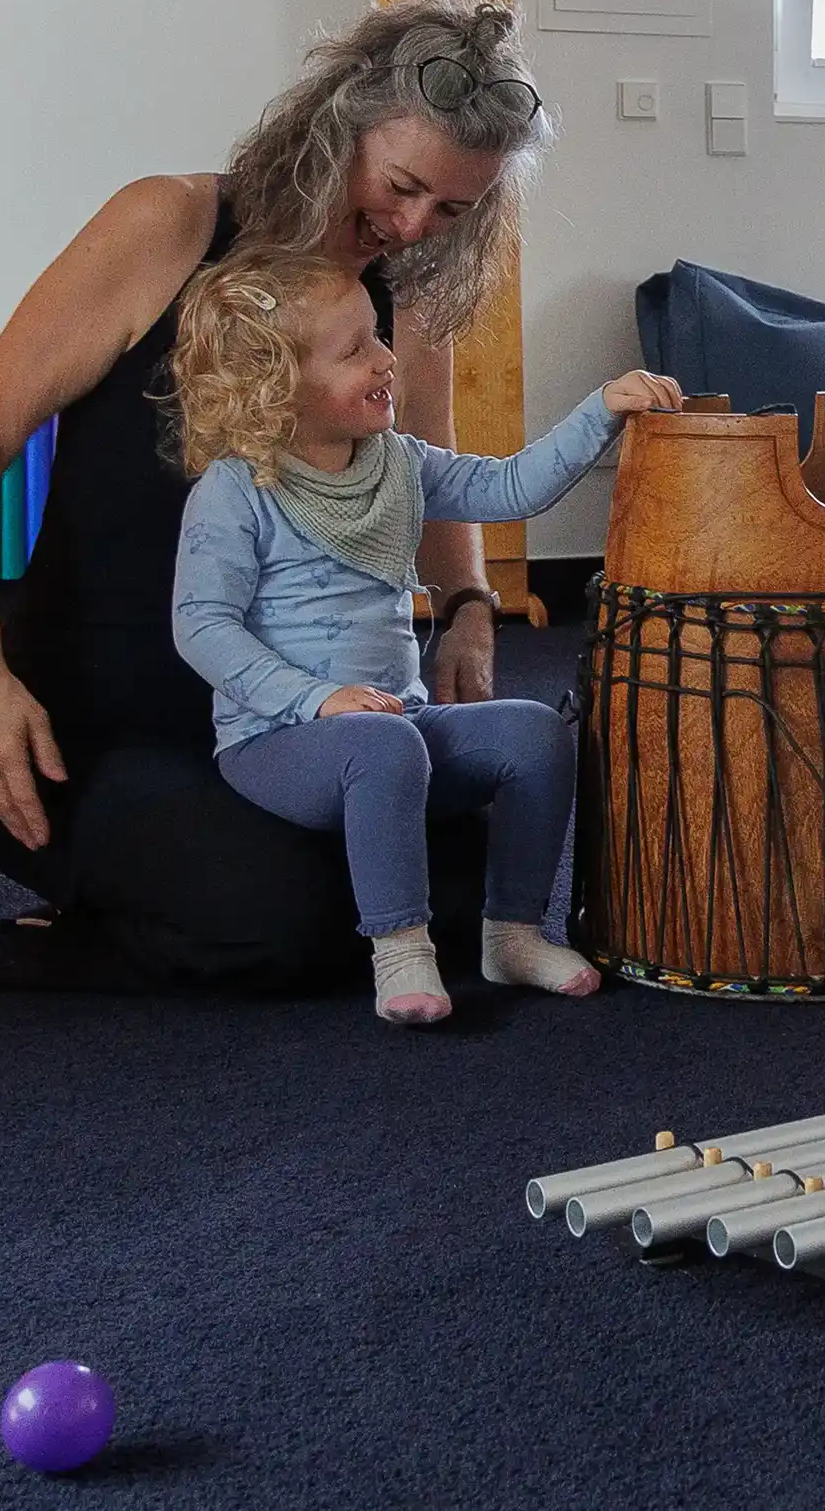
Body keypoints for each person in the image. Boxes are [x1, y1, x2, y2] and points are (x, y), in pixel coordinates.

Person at [0, 0, 560, 989]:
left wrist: (469, 611)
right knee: (286, 921)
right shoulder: (167, 222)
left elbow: (426, 465)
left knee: (461, 884)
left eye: (452, 209)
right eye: (401, 186)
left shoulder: (414, 287)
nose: (411, 224)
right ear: (339, 122)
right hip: (108, 727)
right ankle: (87, 894)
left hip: (308, 720)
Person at [167, 252, 681, 1023]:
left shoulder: (398, 463)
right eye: (355, 351)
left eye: (378, 337)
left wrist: (602, 407)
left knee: (537, 732)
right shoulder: (237, 490)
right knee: (382, 743)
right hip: (276, 738)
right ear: (277, 387)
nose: (385, 359)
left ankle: (511, 934)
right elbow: (200, 625)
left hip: (394, 723)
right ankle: (402, 952)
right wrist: (318, 700)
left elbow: (513, 485)